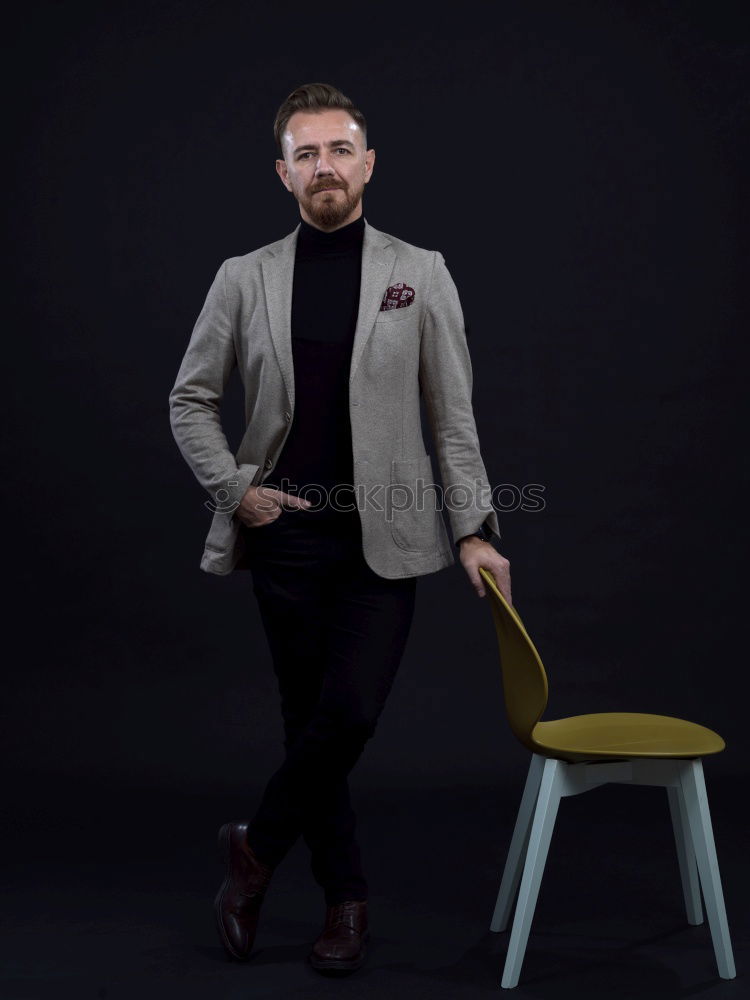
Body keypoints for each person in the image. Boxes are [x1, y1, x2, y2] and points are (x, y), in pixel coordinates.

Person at [168, 82, 512, 976]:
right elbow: (191, 399)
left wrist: (474, 527)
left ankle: (255, 850)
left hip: (386, 536)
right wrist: (235, 489)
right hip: (285, 533)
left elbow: (454, 417)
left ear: (369, 163)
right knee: (307, 724)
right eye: (307, 154)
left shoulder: (421, 270)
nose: (326, 166)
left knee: (347, 715)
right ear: (284, 174)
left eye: (341, 149)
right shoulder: (243, 278)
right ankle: (346, 901)